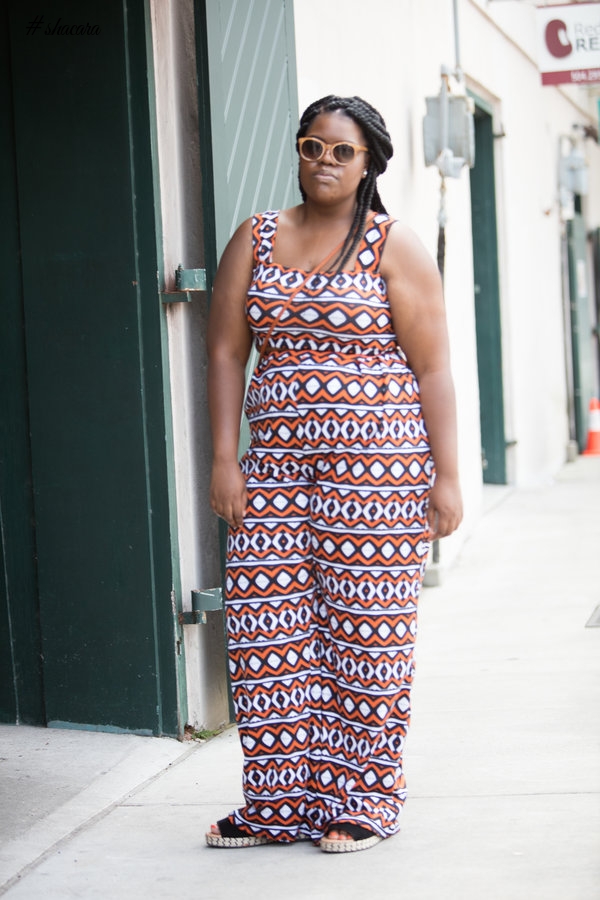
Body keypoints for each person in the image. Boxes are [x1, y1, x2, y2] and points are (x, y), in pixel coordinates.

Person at [205, 95, 462, 853]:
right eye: (312, 145)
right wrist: (225, 459)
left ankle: (364, 799)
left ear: (369, 163)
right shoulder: (254, 238)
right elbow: (225, 352)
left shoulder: (392, 244)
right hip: (274, 468)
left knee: (368, 634)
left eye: (342, 151)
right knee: (266, 630)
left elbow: (435, 364)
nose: (324, 161)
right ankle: (276, 804)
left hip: (378, 473)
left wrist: (446, 476)